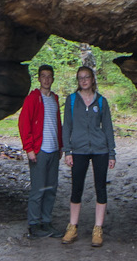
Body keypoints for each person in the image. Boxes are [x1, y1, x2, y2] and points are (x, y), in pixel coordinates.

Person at [61, 65, 116, 247]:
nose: (84, 80)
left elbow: (107, 128)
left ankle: (98, 229)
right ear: (78, 81)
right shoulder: (71, 101)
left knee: (100, 187)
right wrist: (67, 151)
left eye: (87, 77)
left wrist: (111, 153)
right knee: (77, 187)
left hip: (100, 149)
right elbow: (66, 126)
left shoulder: (101, 101)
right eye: (80, 78)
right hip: (78, 149)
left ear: (93, 79)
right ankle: (72, 227)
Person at [17, 64, 62, 237]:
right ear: (39, 78)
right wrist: (29, 148)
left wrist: (60, 146)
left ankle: (46, 222)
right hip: (39, 150)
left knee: (51, 188)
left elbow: (57, 124)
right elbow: (23, 124)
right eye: (43, 76)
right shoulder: (33, 99)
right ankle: (34, 225)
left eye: (49, 76)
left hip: (53, 150)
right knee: (38, 189)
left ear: (53, 78)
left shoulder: (54, 99)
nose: (46, 79)